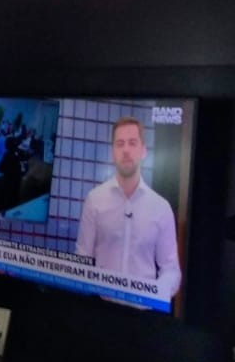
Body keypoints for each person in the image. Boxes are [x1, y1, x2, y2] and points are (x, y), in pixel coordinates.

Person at [74, 116, 182, 298]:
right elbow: (82, 258)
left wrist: (155, 293)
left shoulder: (161, 208)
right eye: (120, 144)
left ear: (143, 151)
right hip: (100, 306)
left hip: (144, 310)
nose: (125, 150)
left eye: (132, 143)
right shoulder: (94, 200)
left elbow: (171, 269)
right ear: (112, 152)